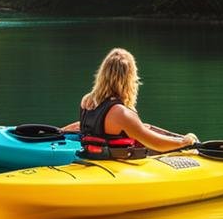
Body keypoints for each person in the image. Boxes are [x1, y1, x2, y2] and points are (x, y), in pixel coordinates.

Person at [61, 47, 198, 151]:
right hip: (116, 163)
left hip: (93, 157)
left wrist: (61, 130)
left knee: (146, 126)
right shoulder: (122, 113)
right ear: (130, 78)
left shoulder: (87, 101)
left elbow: (89, 127)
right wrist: (184, 142)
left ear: (102, 74)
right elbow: (155, 143)